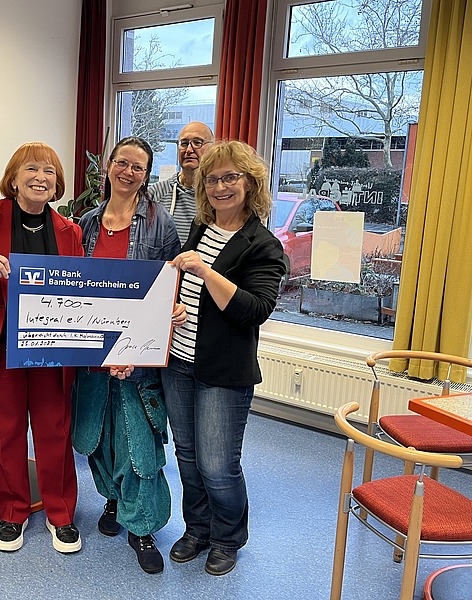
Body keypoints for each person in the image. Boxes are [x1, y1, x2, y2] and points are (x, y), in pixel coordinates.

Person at [0, 142, 83, 554]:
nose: (41, 177)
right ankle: (12, 512)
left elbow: (81, 292)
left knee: (54, 430)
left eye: (49, 171)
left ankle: (61, 514)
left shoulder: (70, 231)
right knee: (4, 432)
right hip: (1, 346)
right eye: (32, 169)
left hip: (51, 348)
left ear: (57, 183)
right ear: (15, 177)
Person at [161, 140, 286, 576]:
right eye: (212, 179)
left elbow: (254, 310)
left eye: (230, 177)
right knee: (187, 456)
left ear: (251, 183)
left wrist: (206, 271)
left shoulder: (263, 244)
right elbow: (191, 292)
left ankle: (228, 538)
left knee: (217, 465)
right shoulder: (202, 227)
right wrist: (178, 307)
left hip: (224, 372)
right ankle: (197, 529)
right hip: (179, 361)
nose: (220, 187)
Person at [72, 136, 184, 575]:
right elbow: (73, 283)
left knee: (138, 444)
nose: (128, 171)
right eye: (122, 162)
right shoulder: (87, 222)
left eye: (138, 167)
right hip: (92, 350)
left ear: (146, 175)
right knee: (97, 437)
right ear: (109, 166)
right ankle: (114, 501)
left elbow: (170, 287)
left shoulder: (161, 225)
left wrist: (158, 326)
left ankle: (142, 526)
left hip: (137, 354)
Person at [147, 122, 214, 244]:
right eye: (184, 143)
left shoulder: (217, 196)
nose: (189, 150)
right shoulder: (155, 193)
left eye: (197, 143)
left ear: (212, 148)